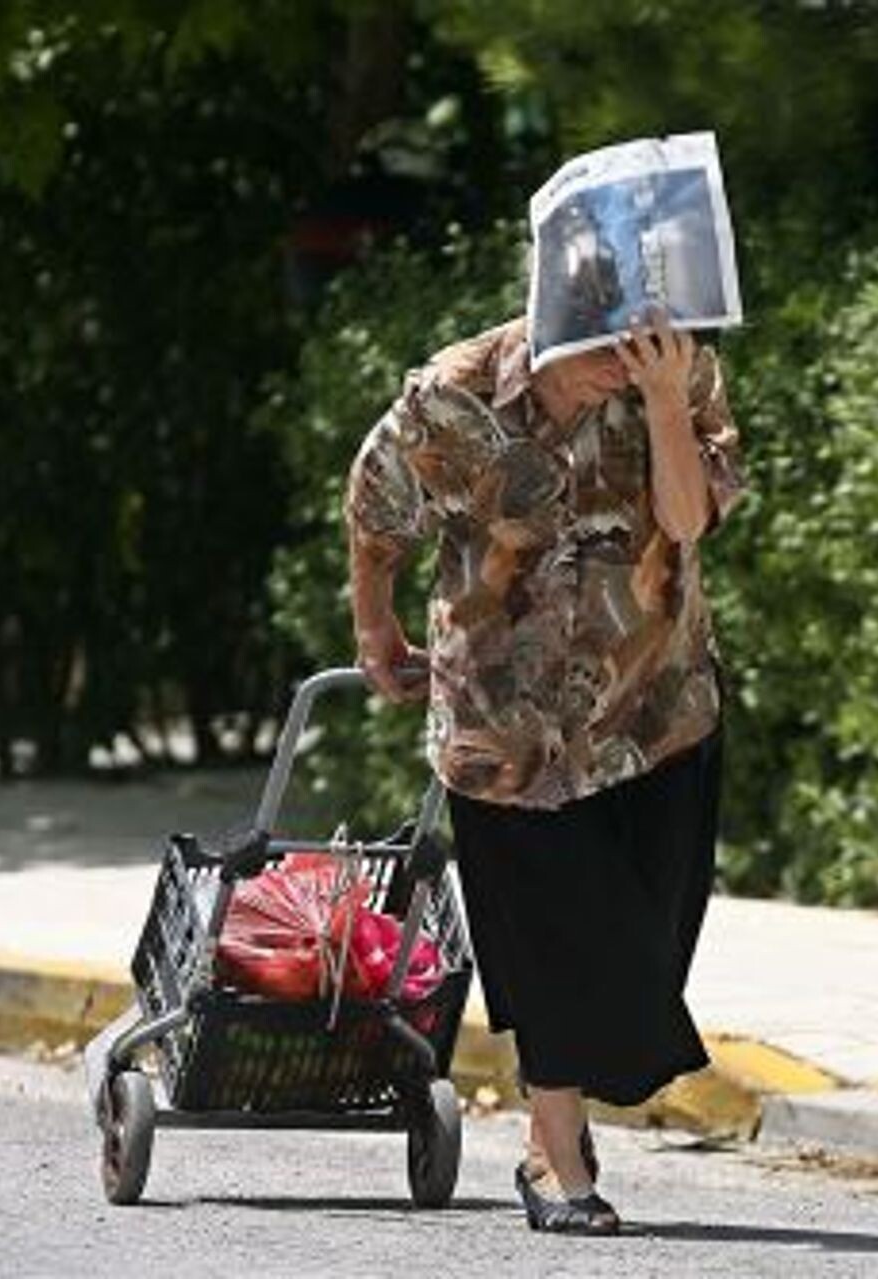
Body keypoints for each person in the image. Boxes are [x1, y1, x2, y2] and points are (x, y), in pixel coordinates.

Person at [344, 305, 743, 1234]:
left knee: (644, 949)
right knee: (558, 942)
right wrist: (375, 624)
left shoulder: (677, 376)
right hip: (504, 729)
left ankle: (550, 1128)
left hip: (655, 714)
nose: (625, 356)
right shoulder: (457, 394)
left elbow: (687, 520)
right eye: (606, 345)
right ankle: (556, 1157)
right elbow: (377, 507)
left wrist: (661, 398)